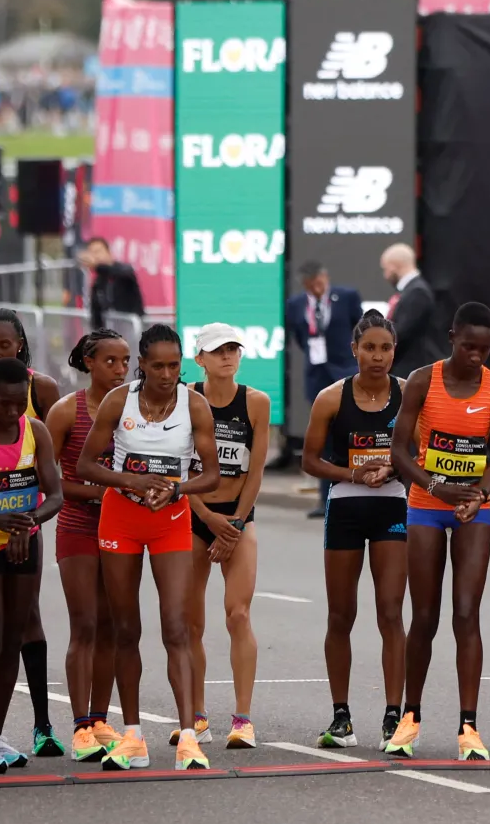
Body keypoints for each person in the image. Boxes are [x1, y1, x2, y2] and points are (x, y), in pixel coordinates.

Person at [79, 323, 220, 772]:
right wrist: (130, 480)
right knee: (125, 628)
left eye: (174, 366)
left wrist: (177, 490)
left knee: (176, 625)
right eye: (157, 365)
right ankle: (133, 737)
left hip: (171, 520)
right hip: (121, 516)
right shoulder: (119, 401)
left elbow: (211, 475)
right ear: (141, 363)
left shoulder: (194, 404)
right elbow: (86, 463)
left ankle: (188, 740)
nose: (166, 374)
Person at [387, 300, 490, 761]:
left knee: (466, 613)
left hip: (472, 509)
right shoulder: (424, 380)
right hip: (426, 504)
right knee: (424, 616)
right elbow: (400, 451)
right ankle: (410, 717)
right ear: (451, 338)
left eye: (485, 348)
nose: (477, 356)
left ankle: (468, 726)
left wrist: (478, 494)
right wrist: (437, 488)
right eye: (468, 347)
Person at [300, 309, 410, 752]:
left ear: (394, 351)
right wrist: (352, 473)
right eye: (369, 348)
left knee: (390, 612)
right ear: (354, 350)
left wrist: (394, 466)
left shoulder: (408, 395)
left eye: (385, 348)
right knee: (341, 615)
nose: (377, 356)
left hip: (393, 507)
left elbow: (419, 452)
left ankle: (392, 716)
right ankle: (341, 716)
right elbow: (310, 461)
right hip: (345, 507)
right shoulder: (330, 397)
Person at [0, 310, 64, 759]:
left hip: (24, 537)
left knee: (17, 634)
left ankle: (4, 733)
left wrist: (28, 522)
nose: (12, 409)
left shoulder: (36, 418)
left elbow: (53, 492)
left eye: (18, 402)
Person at [184, 323, 272, 750]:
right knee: (190, 621)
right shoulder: (185, 399)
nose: (227, 356)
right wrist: (205, 515)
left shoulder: (255, 402)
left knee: (237, 613)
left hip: (238, 518)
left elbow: (255, 471)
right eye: (218, 350)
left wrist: (234, 524)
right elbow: (179, 470)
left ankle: (242, 718)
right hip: (194, 515)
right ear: (199, 358)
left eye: (234, 349)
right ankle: (196, 717)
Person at [47, 327, 131, 761]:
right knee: (85, 624)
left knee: (114, 627)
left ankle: (100, 719)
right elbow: (50, 479)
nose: (119, 370)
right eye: (110, 361)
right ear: (88, 363)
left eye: (125, 361)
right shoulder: (66, 411)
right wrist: (102, 493)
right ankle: (80, 725)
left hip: (122, 530)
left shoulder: (134, 410)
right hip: (78, 526)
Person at [286, 261, 364, 510]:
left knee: (354, 434)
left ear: (325, 277)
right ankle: (325, 499)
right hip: (318, 377)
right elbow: (299, 337)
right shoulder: (296, 304)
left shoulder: (347, 297)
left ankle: (359, 491)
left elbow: (359, 330)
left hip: (346, 373)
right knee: (323, 439)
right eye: (311, 286)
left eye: (319, 283)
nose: (317, 289)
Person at [383, 243, 441, 379]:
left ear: (394, 266)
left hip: (411, 372)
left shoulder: (417, 292)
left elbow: (402, 332)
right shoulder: (410, 291)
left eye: (385, 269)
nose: (385, 275)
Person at [82, 237, 144, 337]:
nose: (95, 256)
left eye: (98, 251)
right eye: (91, 253)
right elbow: (96, 313)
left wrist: (97, 267)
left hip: (131, 334)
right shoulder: (99, 282)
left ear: (109, 253)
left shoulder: (124, 270)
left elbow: (122, 273)